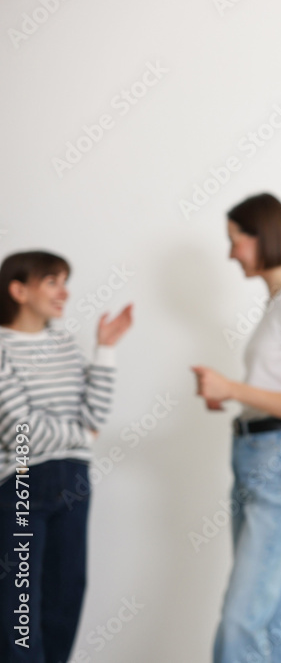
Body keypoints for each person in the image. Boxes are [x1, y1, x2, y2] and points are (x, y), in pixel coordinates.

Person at [191, 193, 281, 663]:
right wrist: (231, 395)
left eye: (235, 241)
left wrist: (233, 388)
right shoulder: (279, 303)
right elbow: (274, 392)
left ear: (261, 237)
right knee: (266, 620)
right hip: (254, 459)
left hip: (279, 468)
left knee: (240, 624)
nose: (230, 254)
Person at [0, 250, 132, 662]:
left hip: (74, 481)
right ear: (18, 290)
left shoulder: (64, 343)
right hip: (23, 484)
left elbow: (95, 414)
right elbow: (19, 430)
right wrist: (80, 436)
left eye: (64, 281)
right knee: (20, 609)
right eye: (52, 282)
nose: (64, 291)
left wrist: (105, 349)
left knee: (66, 596)